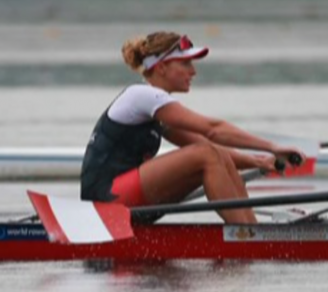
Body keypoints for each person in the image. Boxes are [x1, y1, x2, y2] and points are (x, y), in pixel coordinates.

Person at [80, 31, 306, 224]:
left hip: (125, 200)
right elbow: (213, 129)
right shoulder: (142, 96)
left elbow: (204, 141)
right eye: (185, 63)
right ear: (161, 67)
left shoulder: (155, 111)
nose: (193, 72)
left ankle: (252, 231)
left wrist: (258, 162)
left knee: (214, 153)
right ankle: (246, 235)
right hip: (106, 200)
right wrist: (272, 148)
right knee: (208, 154)